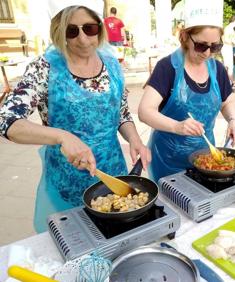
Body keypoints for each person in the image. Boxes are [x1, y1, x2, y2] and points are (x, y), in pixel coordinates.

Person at [0, 0, 151, 233]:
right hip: (67, 178)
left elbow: (120, 113)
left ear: (99, 28)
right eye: (72, 31)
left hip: (112, 170)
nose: (83, 39)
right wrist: (62, 137)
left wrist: (135, 140)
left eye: (90, 28)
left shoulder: (111, 63)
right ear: (59, 32)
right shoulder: (44, 68)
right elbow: (6, 120)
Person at [138, 0, 235, 183]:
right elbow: (145, 111)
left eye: (215, 46)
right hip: (167, 160)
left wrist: (233, 120)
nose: (208, 53)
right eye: (202, 46)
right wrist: (177, 127)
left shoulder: (217, 69)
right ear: (185, 36)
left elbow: (228, 101)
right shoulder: (167, 67)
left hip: (206, 159)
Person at [221, 15, 235, 84]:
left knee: (228, 66)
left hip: (228, 48)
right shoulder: (228, 28)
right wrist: (234, 43)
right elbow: (225, 39)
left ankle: (229, 82)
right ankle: (229, 82)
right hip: (227, 48)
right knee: (229, 66)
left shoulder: (228, 28)